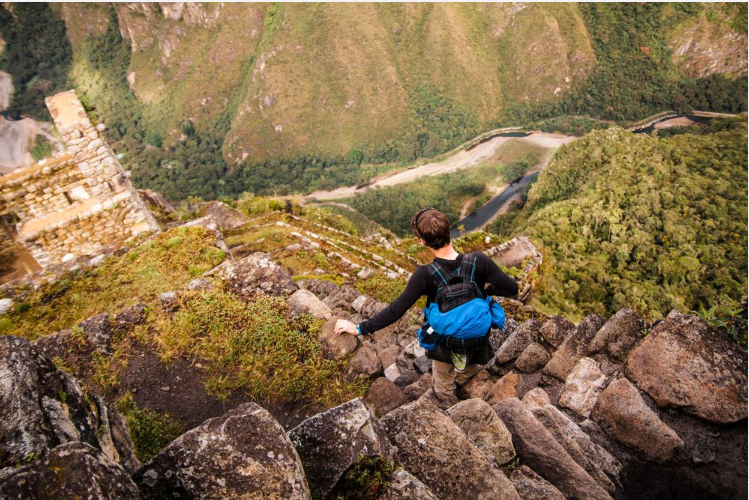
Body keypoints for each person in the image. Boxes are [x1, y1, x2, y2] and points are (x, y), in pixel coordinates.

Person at [334, 207, 518, 403]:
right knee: (468, 369)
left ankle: (446, 400)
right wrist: (486, 292)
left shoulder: (424, 274)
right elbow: (511, 287)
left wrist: (359, 328)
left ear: (422, 242)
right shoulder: (479, 261)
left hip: (445, 342)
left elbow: (396, 310)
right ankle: (464, 381)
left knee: (442, 381)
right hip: (477, 337)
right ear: (449, 231)